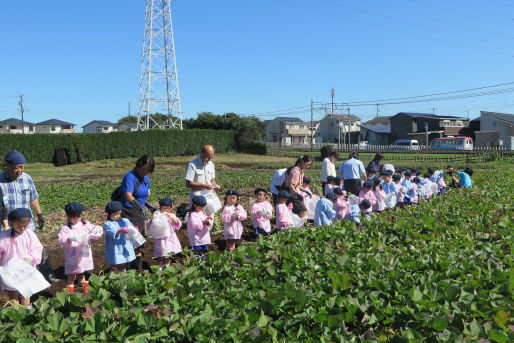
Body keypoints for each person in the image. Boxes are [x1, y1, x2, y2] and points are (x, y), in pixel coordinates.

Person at [0, 150, 56, 283]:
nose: (20, 170)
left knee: (36, 248)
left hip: (26, 223)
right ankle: (11, 282)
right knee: (11, 254)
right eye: (17, 167)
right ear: (7, 165)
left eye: (22, 167)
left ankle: (47, 275)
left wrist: (39, 214)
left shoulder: (27, 178)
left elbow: (33, 197)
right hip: (7, 225)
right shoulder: (0, 181)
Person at [0, 208, 44, 309]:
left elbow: (37, 247)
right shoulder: (4, 236)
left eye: (25, 226)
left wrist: (32, 257)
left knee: (26, 291)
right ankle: (15, 313)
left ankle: (27, 312)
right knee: (13, 292)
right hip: (10, 269)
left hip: (25, 267)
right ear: (11, 222)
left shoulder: (29, 234)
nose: (23, 228)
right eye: (19, 226)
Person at [57, 202, 103, 293]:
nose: (77, 219)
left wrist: (96, 230)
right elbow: (62, 239)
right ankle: (69, 294)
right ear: (68, 216)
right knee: (71, 275)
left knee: (81, 273)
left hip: (83, 254)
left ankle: (84, 292)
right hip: (72, 255)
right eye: (74, 217)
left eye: (79, 216)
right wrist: (69, 239)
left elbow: (95, 229)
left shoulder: (85, 224)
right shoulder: (66, 228)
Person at [120, 155, 154, 271]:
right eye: (143, 169)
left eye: (148, 170)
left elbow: (143, 196)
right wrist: (140, 208)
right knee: (130, 240)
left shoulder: (145, 179)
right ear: (138, 165)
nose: (145, 172)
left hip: (139, 213)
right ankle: (129, 269)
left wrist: (150, 207)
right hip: (128, 211)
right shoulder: (130, 177)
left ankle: (138, 270)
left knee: (138, 241)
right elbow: (128, 195)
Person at [146, 197, 182, 270]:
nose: (165, 210)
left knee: (167, 256)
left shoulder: (171, 215)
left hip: (169, 239)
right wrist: (152, 219)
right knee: (160, 256)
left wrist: (172, 218)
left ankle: (166, 269)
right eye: (163, 208)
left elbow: (177, 223)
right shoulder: (157, 215)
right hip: (160, 240)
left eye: (166, 208)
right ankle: (159, 270)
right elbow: (149, 225)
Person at [185, 145, 222, 216]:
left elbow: (212, 180)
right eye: (207, 157)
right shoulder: (192, 165)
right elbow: (188, 184)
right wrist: (203, 186)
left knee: (209, 218)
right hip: (197, 196)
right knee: (197, 219)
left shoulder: (211, 164)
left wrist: (215, 186)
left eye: (211, 158)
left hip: (209, 196)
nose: (209, 160)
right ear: (201, 153)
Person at [104, 201, 136, 274]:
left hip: (124, 245)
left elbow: (130, 227)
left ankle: (123, 276)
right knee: (114, 263)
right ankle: (113, 277)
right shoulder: (108, 224)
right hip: (114, 247)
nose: (118, 216)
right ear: (109, 214)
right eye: (115, 214)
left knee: (123, 262)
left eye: (119, 213)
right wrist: (119, 231)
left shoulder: (124, 220)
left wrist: (133, 229)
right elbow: (112, 233)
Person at [187, 196, 213, 260]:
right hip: (196, 235)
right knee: (197, 249)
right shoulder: (193, 214)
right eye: (200, 207)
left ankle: (203, 258)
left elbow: (206, 220)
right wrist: (203, 223)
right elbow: (195, 225)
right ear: (195, 205)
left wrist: (208, 222)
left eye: (202, 207)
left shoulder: (202, 212)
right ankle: (198, 261)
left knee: (203, 247)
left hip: (203, 234)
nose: (201, 208)